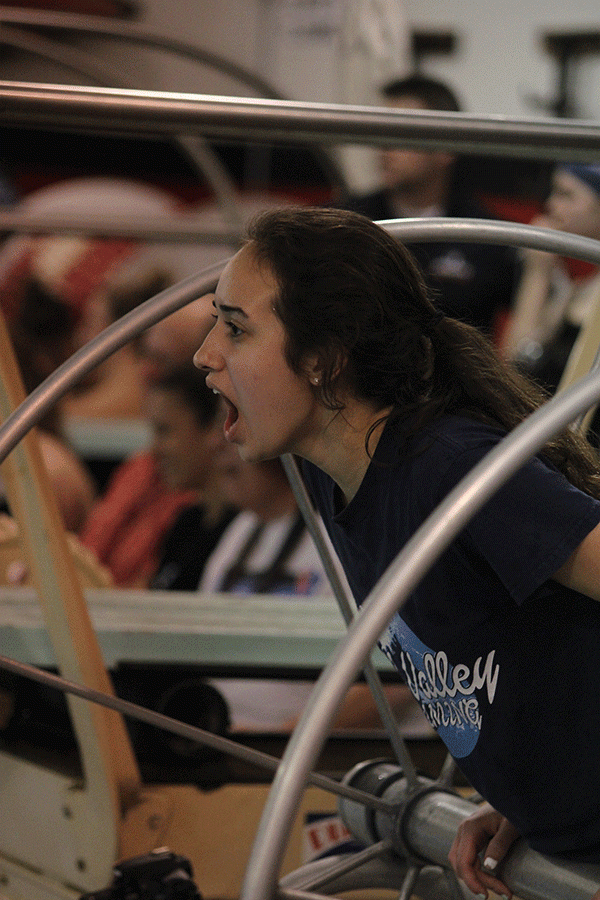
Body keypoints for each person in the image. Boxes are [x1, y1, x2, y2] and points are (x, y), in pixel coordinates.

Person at [194, 206, 600, 899]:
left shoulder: (446, 466)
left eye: (235, 327)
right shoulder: (336, 480)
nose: (205, 352)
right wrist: (526, 800)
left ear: (324, 358)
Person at [199, 442, 426, 734]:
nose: (222, 449)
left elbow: (404, 673)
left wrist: (287, 739)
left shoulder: (350, 530)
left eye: (234, 440)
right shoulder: (242, 530)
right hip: (233, 736)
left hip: (312, 750)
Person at [339, 73, 519, 336]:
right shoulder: (346, 223)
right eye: (380, 130)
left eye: (402, 133)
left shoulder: (486, 236)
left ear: (447, 147)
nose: (384, 145)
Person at [501, 162, 600, 399]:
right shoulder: (577, 288)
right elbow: (516, 364)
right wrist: (539, 271)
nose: (551, 205)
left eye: (565, 195)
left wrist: (538, 275)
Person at [147, 366, 236, 591]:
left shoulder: (242, 530)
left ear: (211, 430)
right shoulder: (186, 522)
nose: (154, 450)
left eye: (164, 430)